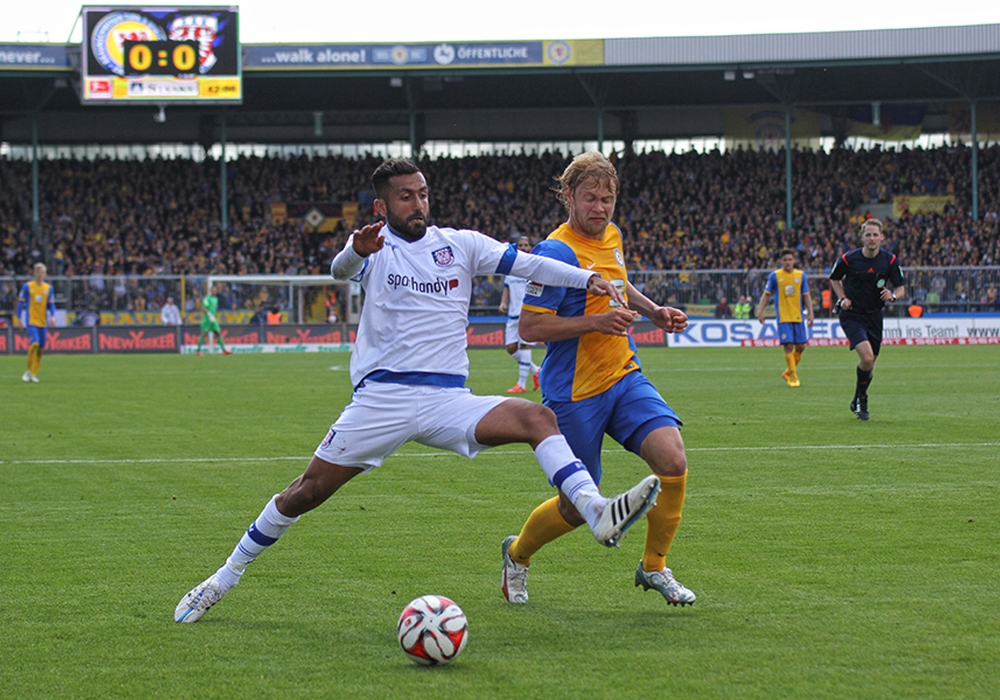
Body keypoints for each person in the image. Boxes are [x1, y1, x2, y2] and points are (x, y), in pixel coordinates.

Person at [174, 157, 662, 624]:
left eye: (423, 194)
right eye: (406, 197)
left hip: (448, 398)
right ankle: (225, 575)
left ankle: (595, 509)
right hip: (382, 401)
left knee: (538, 418)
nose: (418, 204)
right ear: (382, 207)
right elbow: (339, 271)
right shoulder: (373, 248)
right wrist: (353, 251)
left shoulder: (461, 244)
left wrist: (589, 278)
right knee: (306, 492)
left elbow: (529, 266)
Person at [501, 151, 696, 608]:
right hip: (574, 394)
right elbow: (530, 329)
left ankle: (654, 567)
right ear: (568, 196)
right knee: (574, 508)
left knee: (672, 460)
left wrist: (654, 311)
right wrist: (595, 323)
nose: (601, 208)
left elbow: (619, 283)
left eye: (608, 199)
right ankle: (517, 554)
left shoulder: (612, 235)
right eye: (591, 198)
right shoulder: (554, 252)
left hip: (624, 375)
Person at [829, 219, 905, 421]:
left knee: (870, 365)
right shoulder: (849, 259)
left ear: (881, 237)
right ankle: (863, 399)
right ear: (862, 238)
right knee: (867, 358)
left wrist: (894, 296)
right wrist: (842, 298)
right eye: (868, 235)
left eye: (875, 235)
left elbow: (901, 287)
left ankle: (857, 399)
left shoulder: (889, 260)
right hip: (853, 314)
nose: (872, 239)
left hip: (874, 315)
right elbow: (834, 278)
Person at [756, 249, 814, 387]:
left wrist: (811, 313)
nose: (788, 262)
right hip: (783, 317)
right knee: (788, 346)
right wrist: (760, 311)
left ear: (794, 261)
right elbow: (766, 294)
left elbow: (806, 295)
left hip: (798, 316)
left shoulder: (801, 276)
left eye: (790, 259)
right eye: (785, 260)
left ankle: (788, 371)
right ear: (781, 261)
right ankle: (793, 377)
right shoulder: (775, 276)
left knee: (800, 346)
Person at [498, 236, 541, 394]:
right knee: (511, 348)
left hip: (527, 314)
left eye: (526, 244)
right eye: (521, 245)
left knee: (525, 346)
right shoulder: (511, 269)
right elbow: (507, 289)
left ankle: (521, 385)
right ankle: (536, 371)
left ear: (530, 247)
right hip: (512, 315)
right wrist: (503, 303)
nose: (523, 247)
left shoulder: (533, 268)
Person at [16, 262, 56, 383]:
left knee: (40, 349)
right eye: (38, 272)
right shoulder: (27, 286)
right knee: (35, 343)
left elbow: (51, 304)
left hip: (42, 322)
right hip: (31, 320)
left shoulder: (48, 288)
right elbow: (20, 303)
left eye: (42, 272)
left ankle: (34, 374)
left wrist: (53, 316)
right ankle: (27, 371)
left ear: (45, 274)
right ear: (34, 273)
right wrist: (19, 318)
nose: (40, 274)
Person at [195, 284, 232, 355]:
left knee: (218, 333)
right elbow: (203, 307)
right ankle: (198, 351)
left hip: (213, 319)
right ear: (211, 291)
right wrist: (209, 314)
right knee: (203, 334)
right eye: (213, 290)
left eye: (215, 290)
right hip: (207, 319)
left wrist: (213, 316)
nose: (214, 291)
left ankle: (224, 350)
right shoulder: (207, 298)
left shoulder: (216, 299)